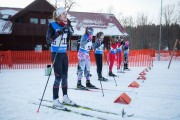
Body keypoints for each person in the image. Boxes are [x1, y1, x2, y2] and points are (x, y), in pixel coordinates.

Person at [46, 7, 76, 109]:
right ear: (58, 15)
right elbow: (48, 40)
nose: (65, 15)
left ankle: (65, 97)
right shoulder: (52, 25)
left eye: (66, 13)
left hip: (63, 54)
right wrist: (59, 32)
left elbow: (68, 39)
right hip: (56, 54)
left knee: (65, 77)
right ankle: (55, 100)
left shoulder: (67, 24)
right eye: (63, 13)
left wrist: (69, 31)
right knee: (58, 77)